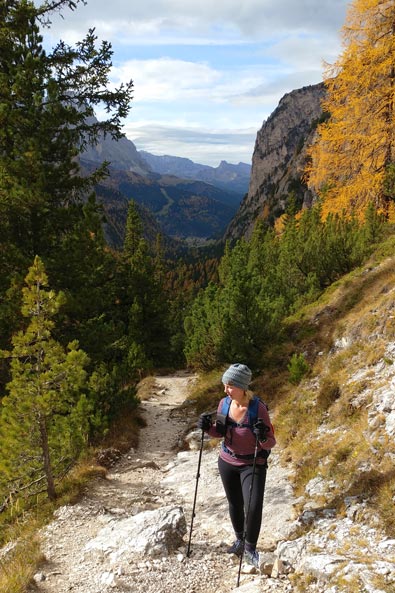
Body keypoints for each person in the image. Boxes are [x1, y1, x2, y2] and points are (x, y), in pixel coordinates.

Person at [197, 363, 276, 568]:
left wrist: (262, 436)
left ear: (242, 387)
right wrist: (208, 428)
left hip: (252, 464)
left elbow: (271, 441)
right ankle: (240, 540)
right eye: (225, 385)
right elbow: (220, 432)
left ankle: (250, 549)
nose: (226, 390)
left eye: (230, 385)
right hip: (227, 461)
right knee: (234, 504)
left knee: (252, 506)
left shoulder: (258, 408)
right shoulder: (224, 404)